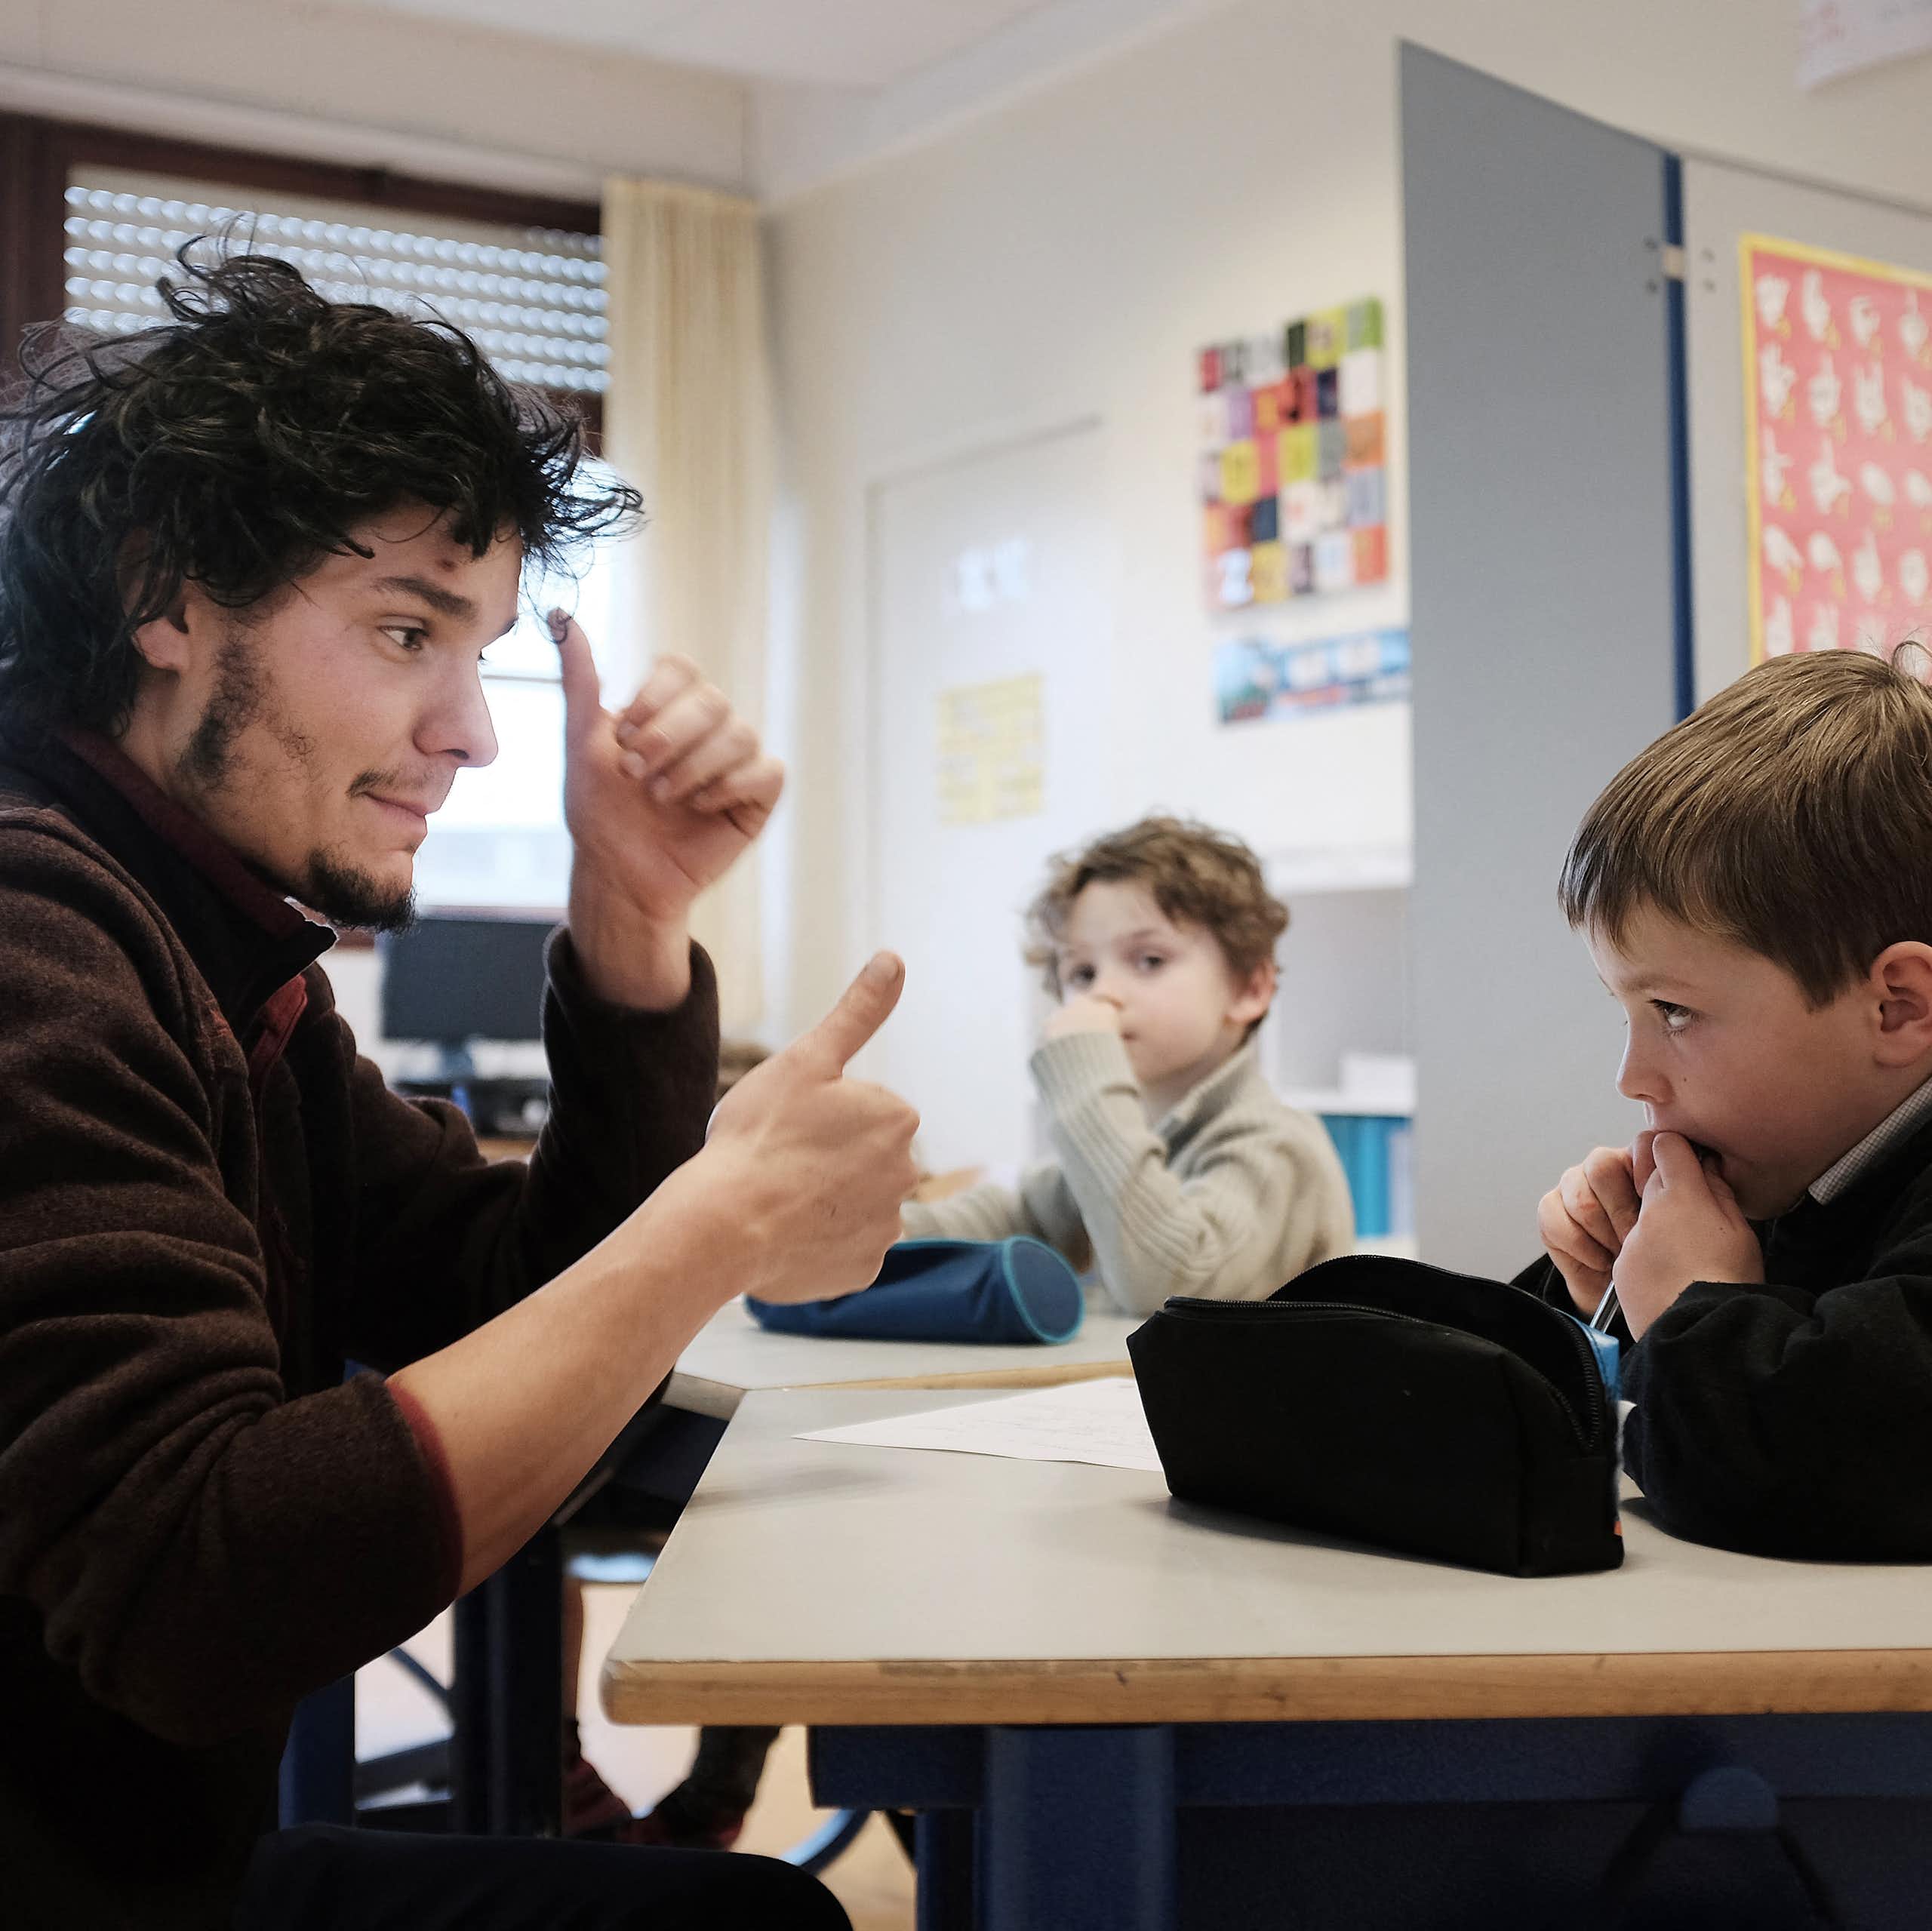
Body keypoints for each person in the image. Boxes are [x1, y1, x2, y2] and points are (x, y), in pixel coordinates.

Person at [0, 254, 919, 1931]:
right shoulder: (36, 932)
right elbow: (200, 1588)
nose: (468, 735)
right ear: (168, 595)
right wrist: (718, 1221)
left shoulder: (213, 954)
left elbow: (514, 1299)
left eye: (479, 649)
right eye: (405, 630)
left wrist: (632, 923)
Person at [1530, 645, 1932, 1560]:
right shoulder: (1791, 1166)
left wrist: (1687, 1306)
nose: (1631, 1076)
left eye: (1673, 1012)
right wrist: (1607, 1298)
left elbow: (1808, 1465)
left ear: (1896, 1007)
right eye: (1625, 1010)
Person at [904, 815, 1353, 1311]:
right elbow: (1017, 1215)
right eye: (1082, 972)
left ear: (1249, 987)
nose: (1105, 993)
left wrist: (1088, 1082)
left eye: (1149, 961)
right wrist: (877, 1236)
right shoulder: (1142, 1141)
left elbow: (1171, 1287)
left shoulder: (1276, 1145)